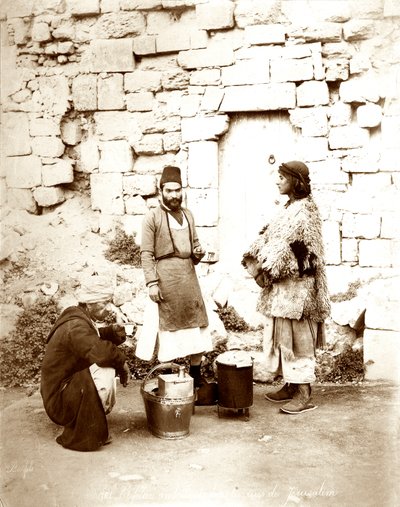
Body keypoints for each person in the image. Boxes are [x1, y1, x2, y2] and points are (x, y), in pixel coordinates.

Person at [242, 161, 330, 414]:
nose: (277, 181)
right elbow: (268, 237)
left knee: (299, 339)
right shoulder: (288, 208)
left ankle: (304, 393)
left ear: (296, 181)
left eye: (282, 177)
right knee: (283, 336)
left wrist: (271, 268)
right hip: (283, 289)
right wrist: (255, 261)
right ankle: (291, 385)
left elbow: (303, 251)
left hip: (299, 290)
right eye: (277, 176)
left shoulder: (306, 210)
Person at [140, 165, 214, 402]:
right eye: (169, 190)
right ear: (161, 191)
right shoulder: (152, 217)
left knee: (197, 325)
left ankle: (195, 375)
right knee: (170, 329)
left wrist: (199, 253)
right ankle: (172, 378)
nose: (174, 195)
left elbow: (194, 247)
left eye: (177, 190)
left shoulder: (189, 214)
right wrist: (152, 282)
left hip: (188, 276)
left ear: (183, 190)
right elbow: (146, 253)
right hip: (166, 278)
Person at [40, 275, 131, 451]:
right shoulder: (76, 326)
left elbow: (93, 338)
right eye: (104, 303)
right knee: (106, 368)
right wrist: (123, 364)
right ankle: (85, 423)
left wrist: (113, 331)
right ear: (89, 303)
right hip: (59, 401)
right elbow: (101, 352)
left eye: (109, 302)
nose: (109, 308)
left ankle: (91, 414)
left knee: (103, 362)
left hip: (61, 389)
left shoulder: (77, 316)